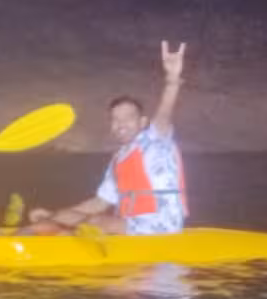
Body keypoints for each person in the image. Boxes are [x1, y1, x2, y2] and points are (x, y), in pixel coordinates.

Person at [28, 42, 187, 236]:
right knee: (66, 216)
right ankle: (13, 241)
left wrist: (172, 79)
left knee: (92, 223)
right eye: (115, 119)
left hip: (161, 225)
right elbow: (101, 202)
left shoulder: (155, 141)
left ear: (143, 122)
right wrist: (55, 216)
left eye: (128, 118)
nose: (121, 124)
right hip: (128, 224)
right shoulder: (119, 159)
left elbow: (164, 114)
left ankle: (46, 241)